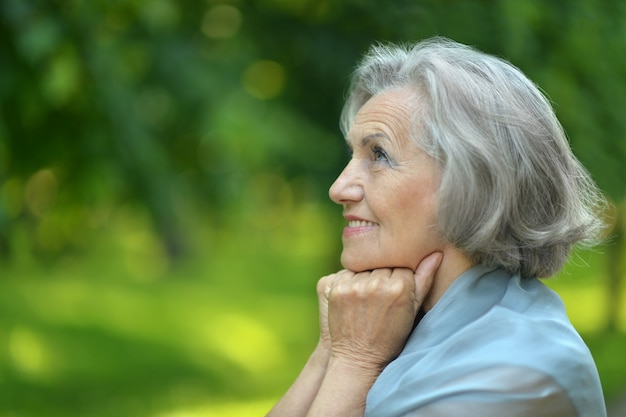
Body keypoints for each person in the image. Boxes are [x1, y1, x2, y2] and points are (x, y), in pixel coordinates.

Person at [266, 37, 608, 417]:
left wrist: (353, 362)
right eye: (354, 155)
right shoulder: (395, 327)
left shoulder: (517, 374)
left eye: (379, 154)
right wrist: (330, 352)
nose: (338, 188)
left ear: (473, 182)